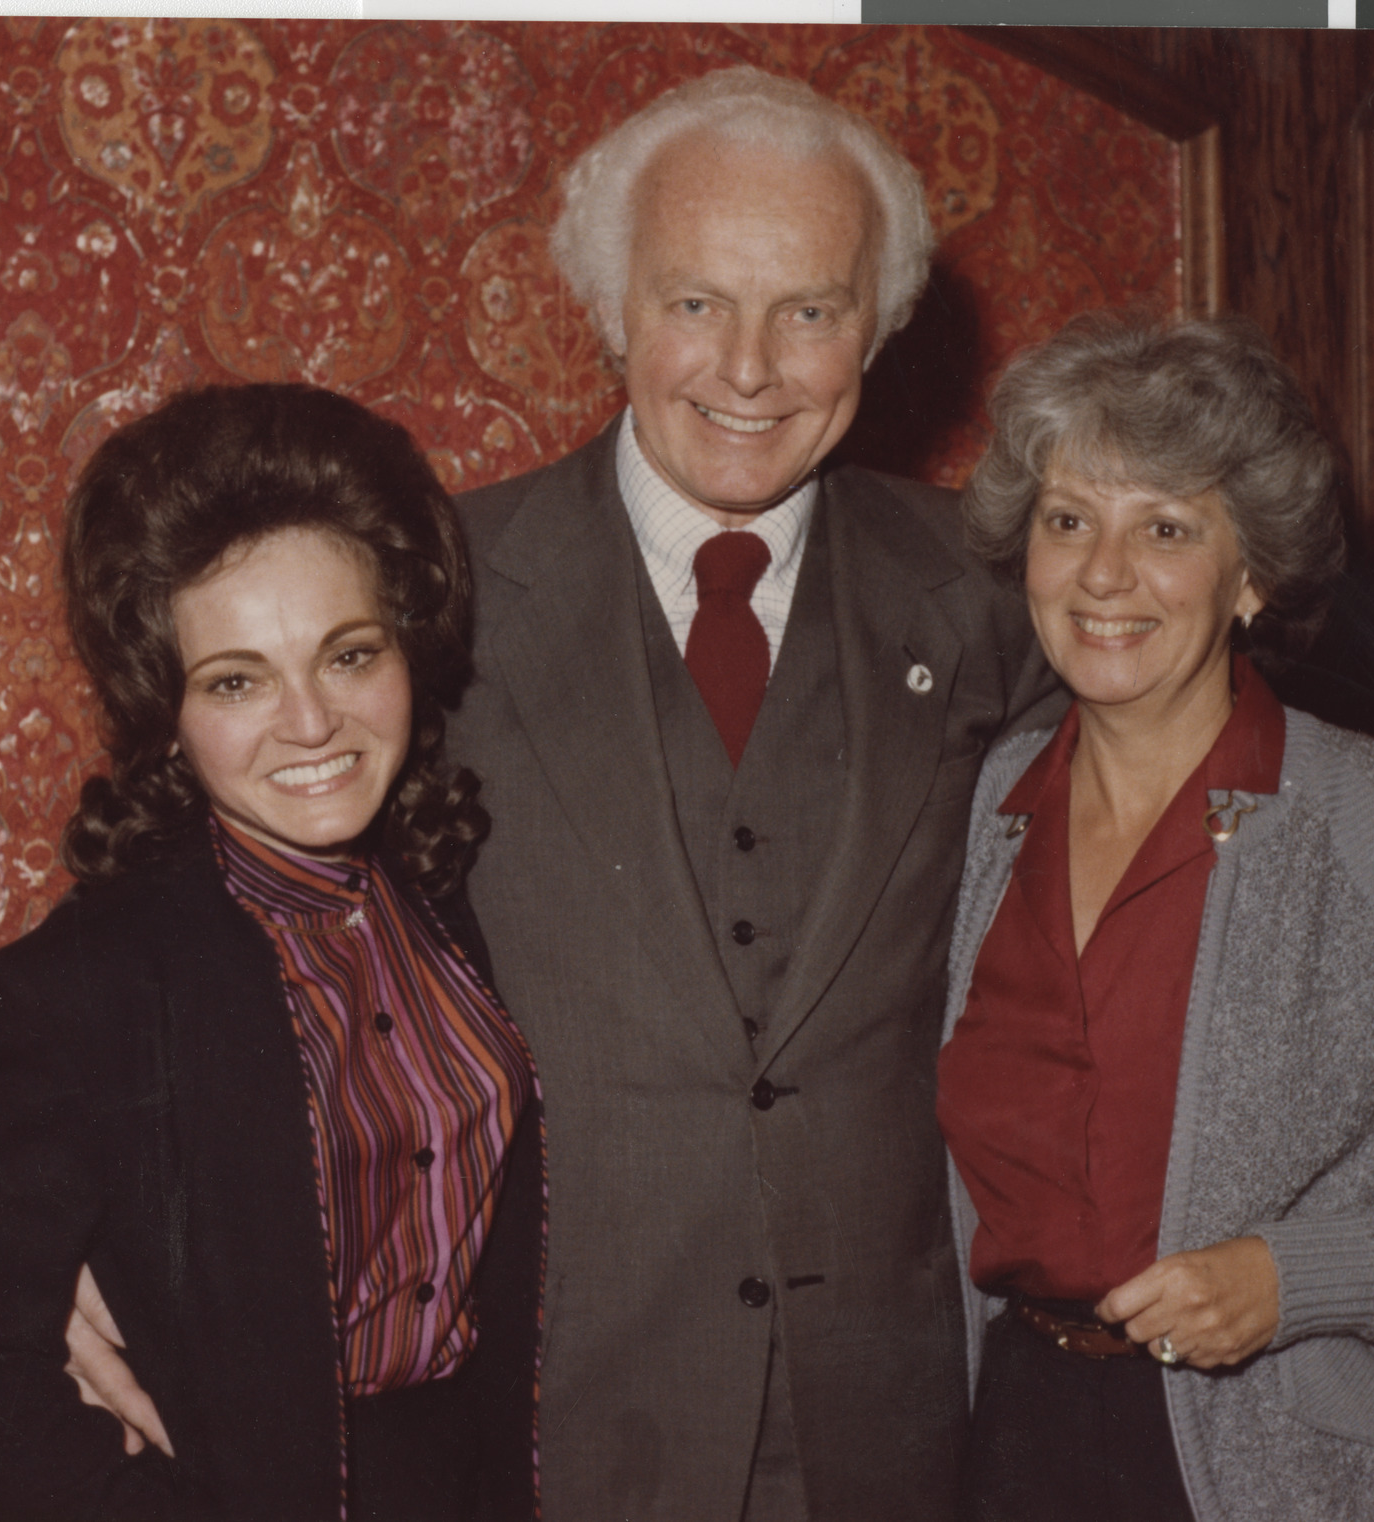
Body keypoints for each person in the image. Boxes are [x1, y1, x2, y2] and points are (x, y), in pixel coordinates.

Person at [442, 66, 1043, 1521]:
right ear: (613, 307)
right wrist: (91, 1242)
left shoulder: (989, 591)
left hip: (895, 1420)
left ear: (879, 326)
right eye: (696, 302)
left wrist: (1351, 1246)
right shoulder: (435, 588)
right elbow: (209, 897)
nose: (750, 368)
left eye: (810, 310)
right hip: (554, 1414)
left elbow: (1210, 871)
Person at [935, 314, 1374, 1519]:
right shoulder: (989, 802)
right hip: (1019, 1442)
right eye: (1068, 521)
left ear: (1250, 571)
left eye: (1164, 528)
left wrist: (1311, 1280)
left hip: (1297, 1467)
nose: (1103, 574)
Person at [0, 385, 544, 1522]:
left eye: (347, 654)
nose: (309, 722)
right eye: (236, 679)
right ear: (167, 709)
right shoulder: (70, 992)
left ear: (408, 654)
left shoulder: (470, 906)